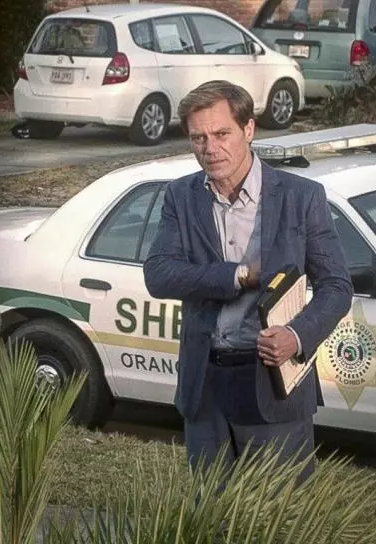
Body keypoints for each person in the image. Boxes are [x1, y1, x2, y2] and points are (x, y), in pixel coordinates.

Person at [143, 80, 352, 479]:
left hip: (272, 382)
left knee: (279, 510)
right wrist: (238, 275)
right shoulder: (181, 197)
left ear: (249, 129)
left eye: (221, 134)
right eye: (198, 138)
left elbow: (337, 287)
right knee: (210, 509)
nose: (210, 148)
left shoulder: (301, 197)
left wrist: (296, 336)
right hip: (205, 386)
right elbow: (158, 274)